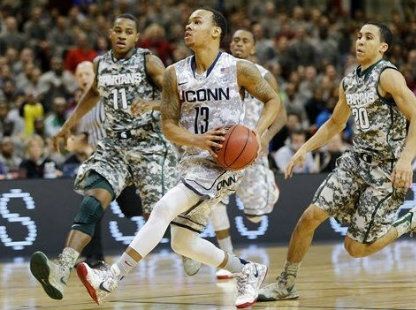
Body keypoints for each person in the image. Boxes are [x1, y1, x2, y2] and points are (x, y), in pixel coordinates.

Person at [76, 9, 280, 308]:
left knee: (163, 208)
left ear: (216, 32)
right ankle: (247, 270)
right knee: (182, 242)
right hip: (192, 160)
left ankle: (109, 279)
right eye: (188, 22)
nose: (189, 26)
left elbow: (273, 100)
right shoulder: (174, 74)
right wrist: (199, 140)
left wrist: (256, 133)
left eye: (197, 22)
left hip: (224, 163)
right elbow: (168, 125)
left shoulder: (240, 69)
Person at [258, 22, 416, 301]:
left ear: (383, 47)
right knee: (309, 217)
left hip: (386, 169)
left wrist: (406, 160)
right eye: (358, 36)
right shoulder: (350, 80)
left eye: (368, 37)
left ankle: (413, 220)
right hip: (355, 162)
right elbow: (335, 123)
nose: (360, 41)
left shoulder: (388, 75)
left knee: (354, 248)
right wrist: (304, 150)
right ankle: (286, 283)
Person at [29, 13, 178, 301]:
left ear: (137, 37)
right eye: (118, 30)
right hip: (114, 147)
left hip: (149, 146)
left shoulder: (149, 61)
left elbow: (175, 96)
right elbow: (92, 94)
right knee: (92, 199)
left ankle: (188, 239)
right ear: (111, 34)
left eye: (129, 31)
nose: (122, 35)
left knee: (157, 215)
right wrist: (66, 127)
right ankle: (62, 268)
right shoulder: (101, 63)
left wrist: (151, 104)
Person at [182, 29, 287, 280]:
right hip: (225, 149)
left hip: (254, 150)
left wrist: (264, 138)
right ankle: (226, 254)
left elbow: (281, 116)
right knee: (214, 201)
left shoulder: (264, 75)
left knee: (254, 215)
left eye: (245, 41)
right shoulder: (219, 72)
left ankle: (269, 189)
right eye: (236, 40)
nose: (239, 44)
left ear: (253, 48)